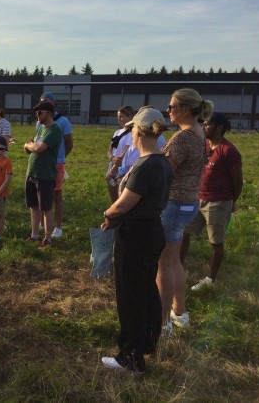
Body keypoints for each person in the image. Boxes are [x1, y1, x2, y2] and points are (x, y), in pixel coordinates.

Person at [100, 107, 173, 373]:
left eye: (132, 128)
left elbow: (124, 205)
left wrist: (108, 213)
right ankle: (148, 342)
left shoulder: (147, 165)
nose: (130, 132)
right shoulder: (162, 161)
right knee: (146, 290)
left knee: (130, 295)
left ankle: (130, 356)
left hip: (136, 235)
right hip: (152, 230)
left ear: (138, 132)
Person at [157, 88, 213, 334]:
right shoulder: (199, 134)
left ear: (186, 109)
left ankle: (162, 323)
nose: (168, 110)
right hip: (188, 203)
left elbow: (163, 173)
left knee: (163, 265)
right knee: (174, 261)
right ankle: (179, 312)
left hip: (173, 204)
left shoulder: (182, 138)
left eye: (172, 106)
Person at [181, 112, 243, 291]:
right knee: (184, 233)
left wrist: (231, 200)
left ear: (219, 128)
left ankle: (210, 279)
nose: (204, 127)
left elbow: (237, 181)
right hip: (196, 199)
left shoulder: (229, 151)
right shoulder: (204, 145)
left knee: (216, 242)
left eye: (207, 124)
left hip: (217, 202)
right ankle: (177, 265)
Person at [24, 101, 62, 248]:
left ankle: (47, 238)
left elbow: (38, 147)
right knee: (33, 206)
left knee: (46, 207)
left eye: (40, 112)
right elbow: (32, 147)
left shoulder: (54, 130)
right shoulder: (40, 129)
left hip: (45, 175)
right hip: (31, 172)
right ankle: (34, 235)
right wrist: (30, 146)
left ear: (50, 113)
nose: (37, 115)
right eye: (36, 113)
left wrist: (28, 145)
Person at [36, 92, 74, 238]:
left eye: (45, 101)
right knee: (41, 193)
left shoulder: (63, 122)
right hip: (41, 162)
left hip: (56, 164)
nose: (42, 104)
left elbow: (69, 144)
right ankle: (41, 223)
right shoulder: (39, 121)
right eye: (40, 101)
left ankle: (58, 226)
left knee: (56, 195)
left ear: (53, 104)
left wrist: (60, 159)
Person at [107, 106, 135, 202]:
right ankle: (114, 205)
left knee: (120, 186)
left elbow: (127, 150)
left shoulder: (132, 132)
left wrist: (116, 164)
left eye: (122, 116)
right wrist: (112, 158)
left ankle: (120, 207)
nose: (119, 119)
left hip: (121, 164)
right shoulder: (117, 132)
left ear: (130, 116)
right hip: (113, 162)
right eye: (118, 116)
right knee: (111, 184)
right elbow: (110, 149)